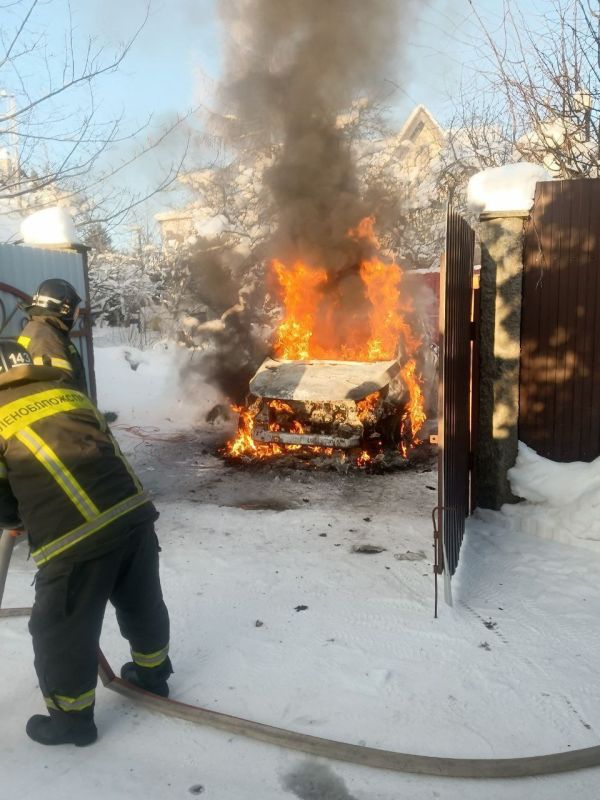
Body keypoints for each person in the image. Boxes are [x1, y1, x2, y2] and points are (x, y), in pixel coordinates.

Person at [0, 339, 172, 746]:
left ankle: (71, 721)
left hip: (73, 539)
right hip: (133, 513)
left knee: (60, 629)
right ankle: (153, 677)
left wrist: (14, 520)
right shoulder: (68, 391)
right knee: (142, 601)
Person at [18, 278, 88, 394]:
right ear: (65, 309)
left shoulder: (38, 329)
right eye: (76, 310)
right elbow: (60, 393)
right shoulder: (46, 340)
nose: (77, 314)